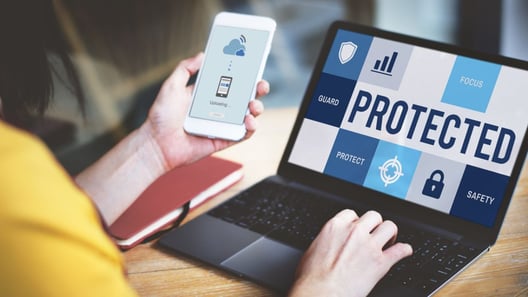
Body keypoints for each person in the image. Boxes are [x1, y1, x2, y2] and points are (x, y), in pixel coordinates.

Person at [0, 2, 412, 296]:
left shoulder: (18, 170)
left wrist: (155, 148)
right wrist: (326, 288)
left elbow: (53, 210)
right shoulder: (14, 187)